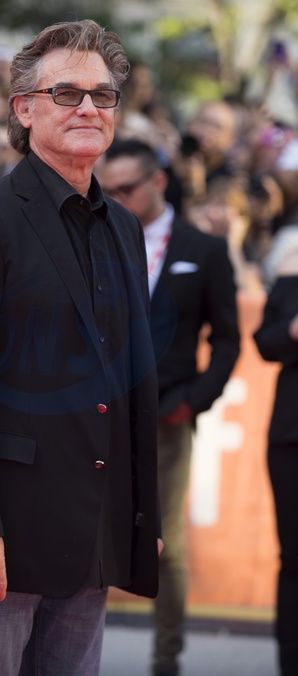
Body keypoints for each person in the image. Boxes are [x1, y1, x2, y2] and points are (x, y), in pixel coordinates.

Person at [0, 19, 161, 676]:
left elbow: (132, 381)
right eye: (67, 94)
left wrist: (142, 518)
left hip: (93, 537)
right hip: (0, 538)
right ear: (24, 109)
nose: (88, 108)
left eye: (102, 95)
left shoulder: (125, 228)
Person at [99, 138, 240, 676]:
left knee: (168, 543)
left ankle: (166, 662)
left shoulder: (202, 249)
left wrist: (192, 402)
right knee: (81, 529)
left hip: (165, 417)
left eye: (126, 189)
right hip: (96, 414)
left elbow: (227, 340)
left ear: (158, 182)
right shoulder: (94, 236)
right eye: (108, 190)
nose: (116, 198)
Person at [253, 224, 298, 676]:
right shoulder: (290, 275)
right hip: (290, 436)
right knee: (294, 556)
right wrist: (292, 329)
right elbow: (265, 342)